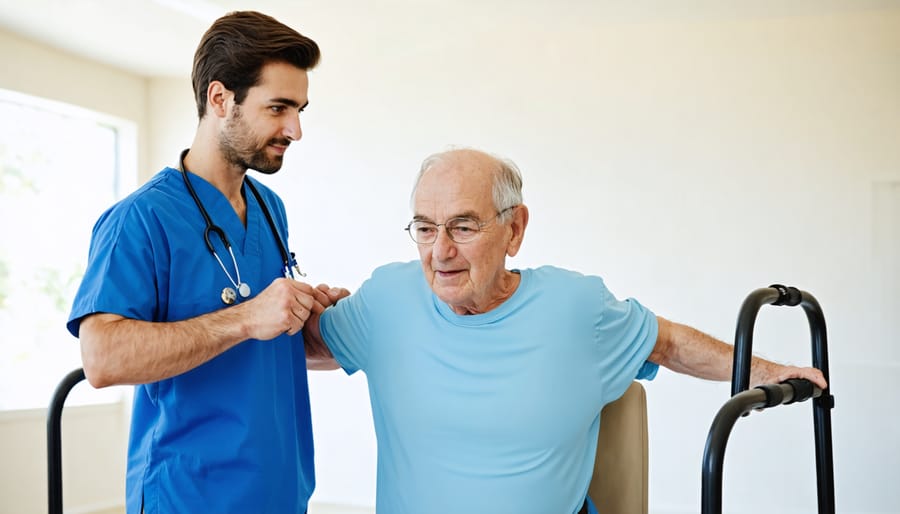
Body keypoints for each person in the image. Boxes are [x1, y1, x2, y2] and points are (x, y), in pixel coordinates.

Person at [303, 146, 828, 514]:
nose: (440, 251)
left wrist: (773, 372)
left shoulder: (576, 308)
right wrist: (282, 308)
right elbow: (311, 345)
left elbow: (668, 343)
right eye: (425, 228)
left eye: (463, 226)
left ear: (514, 229)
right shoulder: (388, 300)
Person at [66, 11, 334, 514]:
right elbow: (101, 359)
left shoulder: (270, 209)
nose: (295, 129)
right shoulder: (140, 220)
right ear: (219, 99)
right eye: (278, 108)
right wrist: (247, 316)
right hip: (190, 496)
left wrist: (320, 329)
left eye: (299, 109)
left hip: (280, 493)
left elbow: (260, 346)